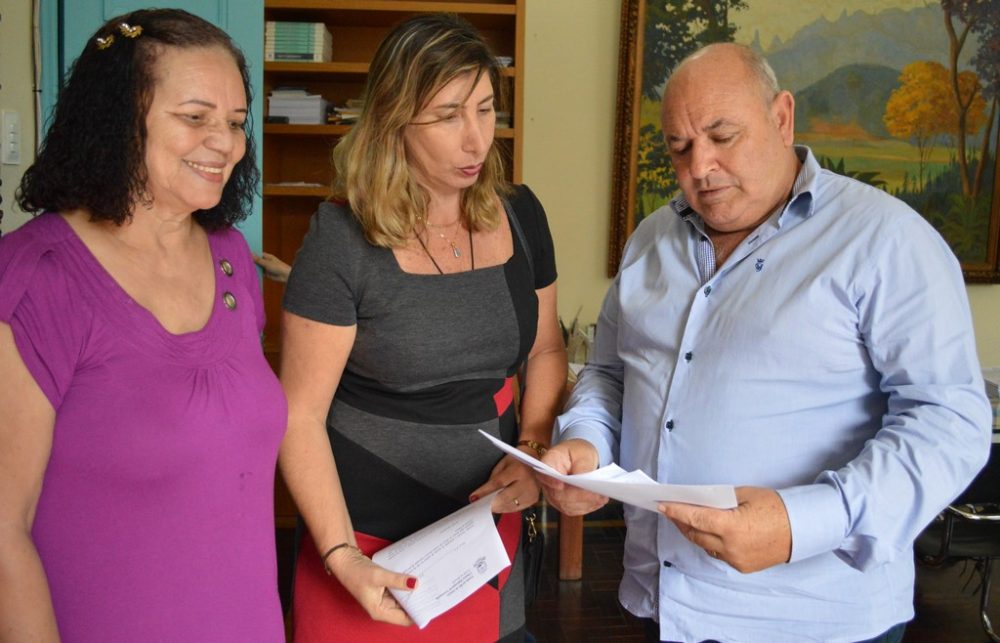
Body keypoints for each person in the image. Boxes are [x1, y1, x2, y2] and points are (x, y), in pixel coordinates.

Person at [540, 42, 992, 643]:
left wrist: (802, 523)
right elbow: (611, 373)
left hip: (814, 619)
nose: (700, 166)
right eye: (679, 147)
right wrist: (587, 441)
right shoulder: (651, 238)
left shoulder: (887, 240)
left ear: (782, 118)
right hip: (661, 606)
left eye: (722, 136)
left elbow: (948, 421)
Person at [277, 13, 566, 643]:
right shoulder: (341, 239)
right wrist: (340, 555)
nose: (477, 140)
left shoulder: (521, 215)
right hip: (366, 544)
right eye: (448, 116)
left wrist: (535, 451)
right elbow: (298, 416)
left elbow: (546, 349)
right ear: (393, 121)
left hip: (485, 533)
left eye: (485, 110)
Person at [0, 10, 286, 641]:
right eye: (195, 117)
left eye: (235, 122)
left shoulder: (231, 259)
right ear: (119, 120)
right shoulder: (35, 277)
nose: (225, 143)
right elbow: (2, 531)